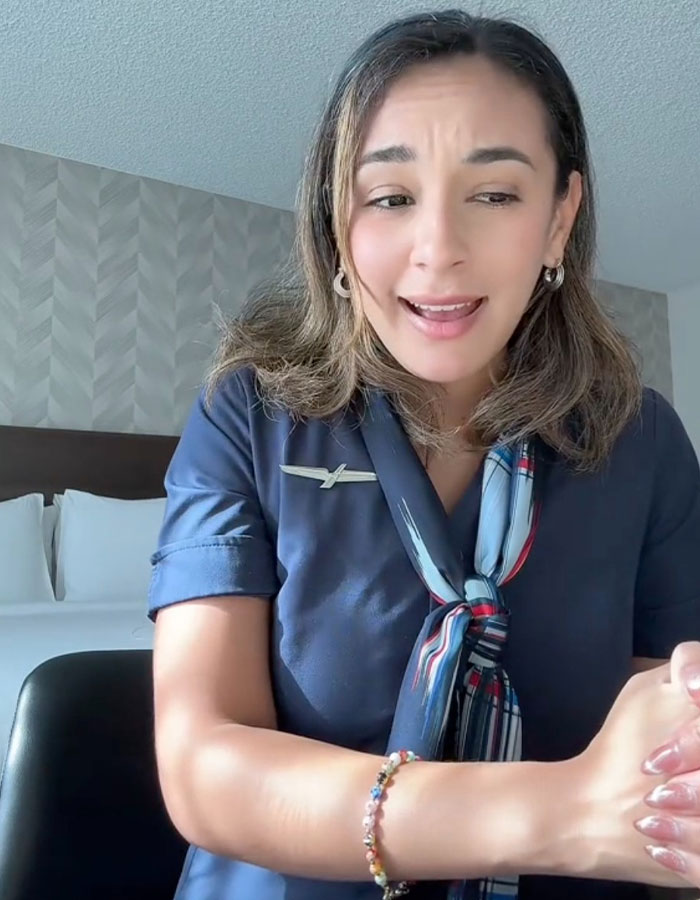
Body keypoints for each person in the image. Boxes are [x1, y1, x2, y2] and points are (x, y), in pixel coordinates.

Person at [147, 9, 700, 900]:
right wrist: (557, 812)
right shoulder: (249, 415)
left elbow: (669, 759)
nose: (438, 250)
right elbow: (204, 763)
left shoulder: (643, 441)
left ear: (561, 218)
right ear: (338, 223)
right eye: (391, 197)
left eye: (495, 194)